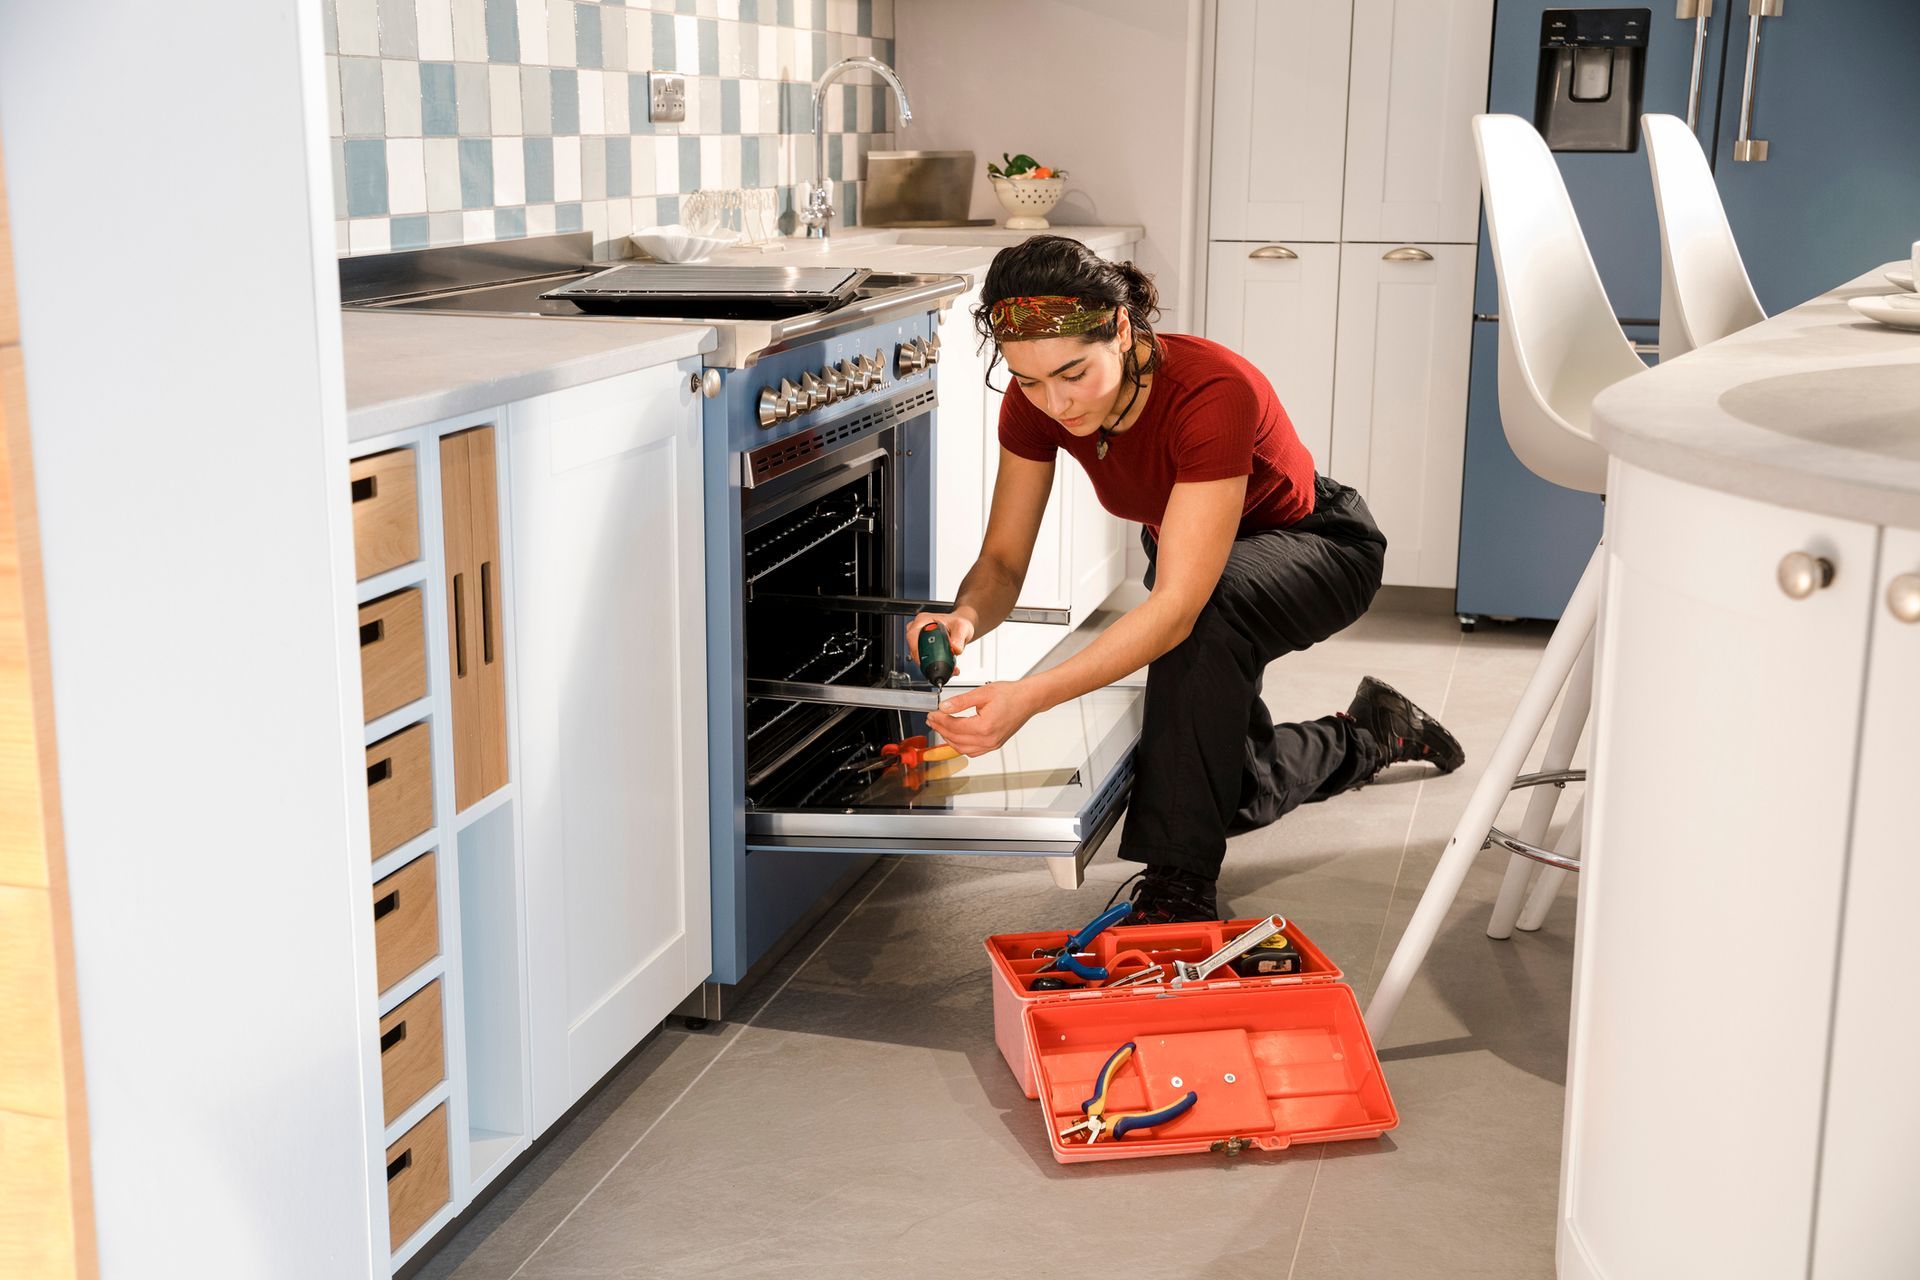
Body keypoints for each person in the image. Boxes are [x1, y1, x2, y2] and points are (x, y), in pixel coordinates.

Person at [912, 236, 1465, 925]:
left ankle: (1178, 887)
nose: (1055, 402)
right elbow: (1001, 563)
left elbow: (1177, 607)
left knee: (1202, 618)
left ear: (1120, 328)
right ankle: (1372, 735)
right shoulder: (1036, 402)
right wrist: (964, 616)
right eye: (1029, 381)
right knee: (1221, 787)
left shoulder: (1210, 393)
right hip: (1199, 554)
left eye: (1073, 373)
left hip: (1318, 545)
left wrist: (1030, 696)